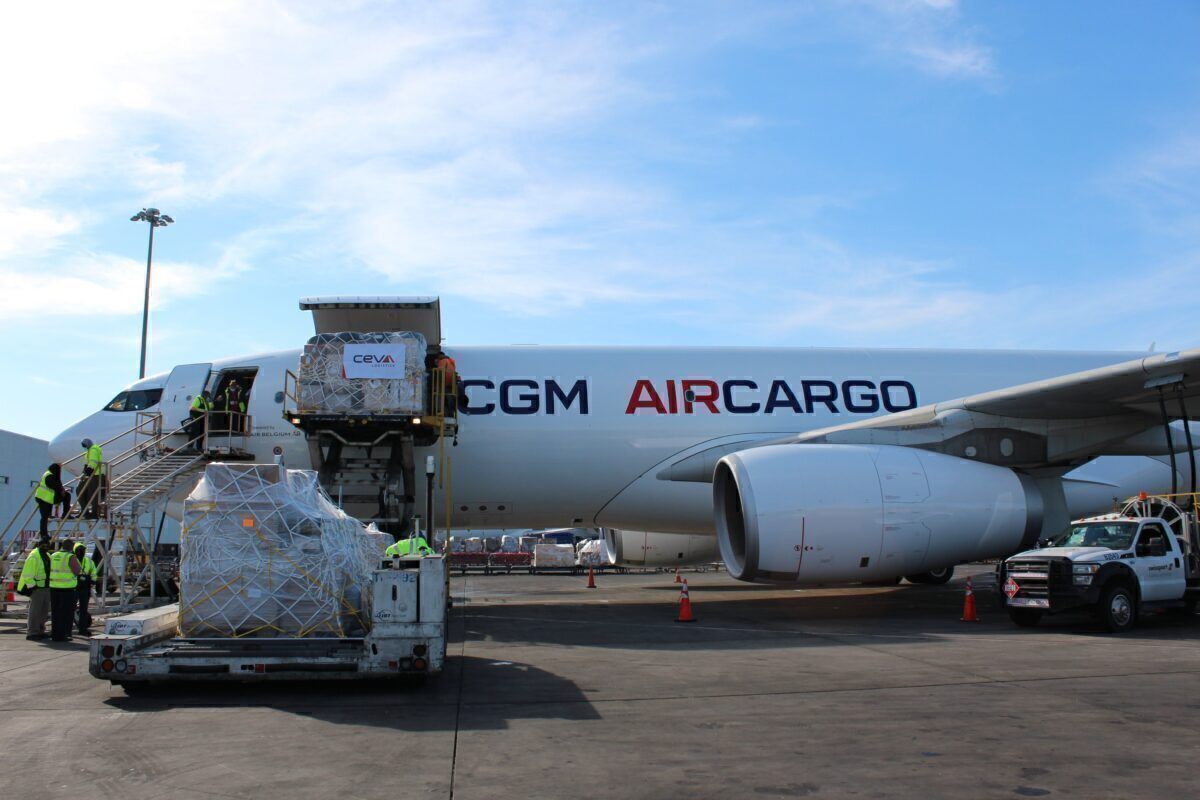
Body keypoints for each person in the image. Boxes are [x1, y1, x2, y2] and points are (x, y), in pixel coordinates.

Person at [17, 537, 52, 640]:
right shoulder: (34, 556)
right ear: (40, 545)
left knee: (43, 611)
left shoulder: (47, 555)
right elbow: (28, 574)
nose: (47, 546)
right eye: (45, 544)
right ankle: (32, 632)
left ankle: (40, 630)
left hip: (46, 587)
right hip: (37, 588)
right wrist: (33, 586)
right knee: (35, 611)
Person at [47, 539, 81, 642]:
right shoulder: (70, 557)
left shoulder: (53, 555)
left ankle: (55, 634)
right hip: (67, 589)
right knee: (66, 614)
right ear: (71, 547)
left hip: (54, 587)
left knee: (56, 613)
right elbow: (77, 571)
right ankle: (64, 634)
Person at [33, 463, 68, 537]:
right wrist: (62, 490)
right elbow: (55, 486)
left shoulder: (48, 473)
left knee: (44, 517)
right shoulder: (50, 476)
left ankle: (44, 534)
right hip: (44, 498)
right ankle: (44, 534)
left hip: (44, 497)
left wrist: (61, 489)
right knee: (44, 518)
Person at [73, 541, 97, 635]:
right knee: (71, 608)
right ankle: (67, 629)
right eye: (79, 550)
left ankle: (82, 629)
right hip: (74, 587)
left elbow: (93, 572)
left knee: (83, 609)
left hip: (85, 587)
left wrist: (93, 582)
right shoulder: (72, 560)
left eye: (82, 550)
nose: (81, 552)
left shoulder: (88, 561)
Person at [77, 439, 104, 520]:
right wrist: (83, 473)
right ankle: (85, 511)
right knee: (80, 491)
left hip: (95, 475)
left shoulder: (93, 450)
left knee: (92, 494)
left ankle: (93, 513)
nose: (84, 447)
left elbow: (93, 463)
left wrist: (86, 474)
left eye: (85, 445)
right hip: (91, 474)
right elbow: (87, 464)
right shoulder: (89, 451)